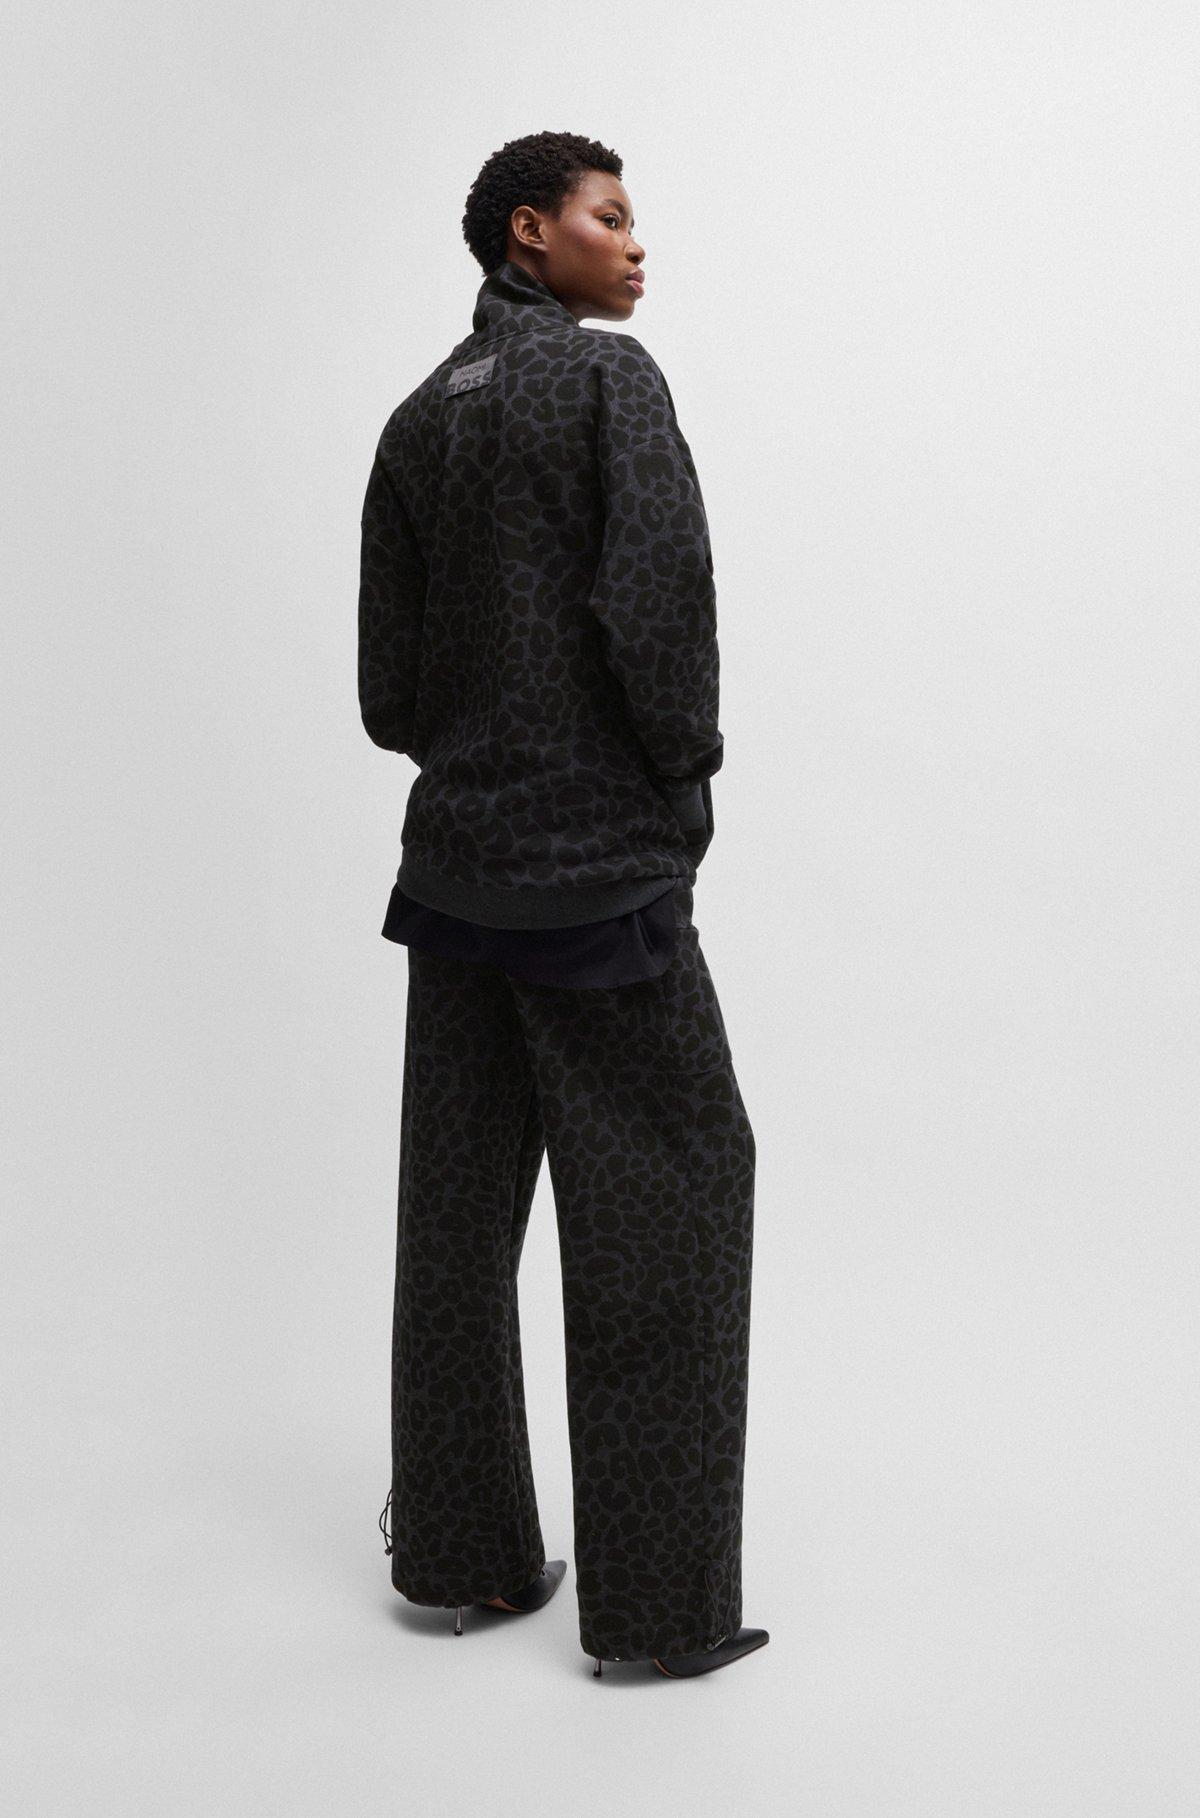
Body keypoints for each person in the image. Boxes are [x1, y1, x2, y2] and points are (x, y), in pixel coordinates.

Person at [360, 130, 767, 1679]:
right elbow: (658, 612)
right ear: (531, 233)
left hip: (453, 872)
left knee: (456, 1225)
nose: (637, 241)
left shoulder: (415, 418)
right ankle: (659, 1614)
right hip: (597, 874)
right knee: (673, 1198)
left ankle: (461, 1558)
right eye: (611, 215)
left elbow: (387, 695)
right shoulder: (609, 384)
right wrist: (682, 780)